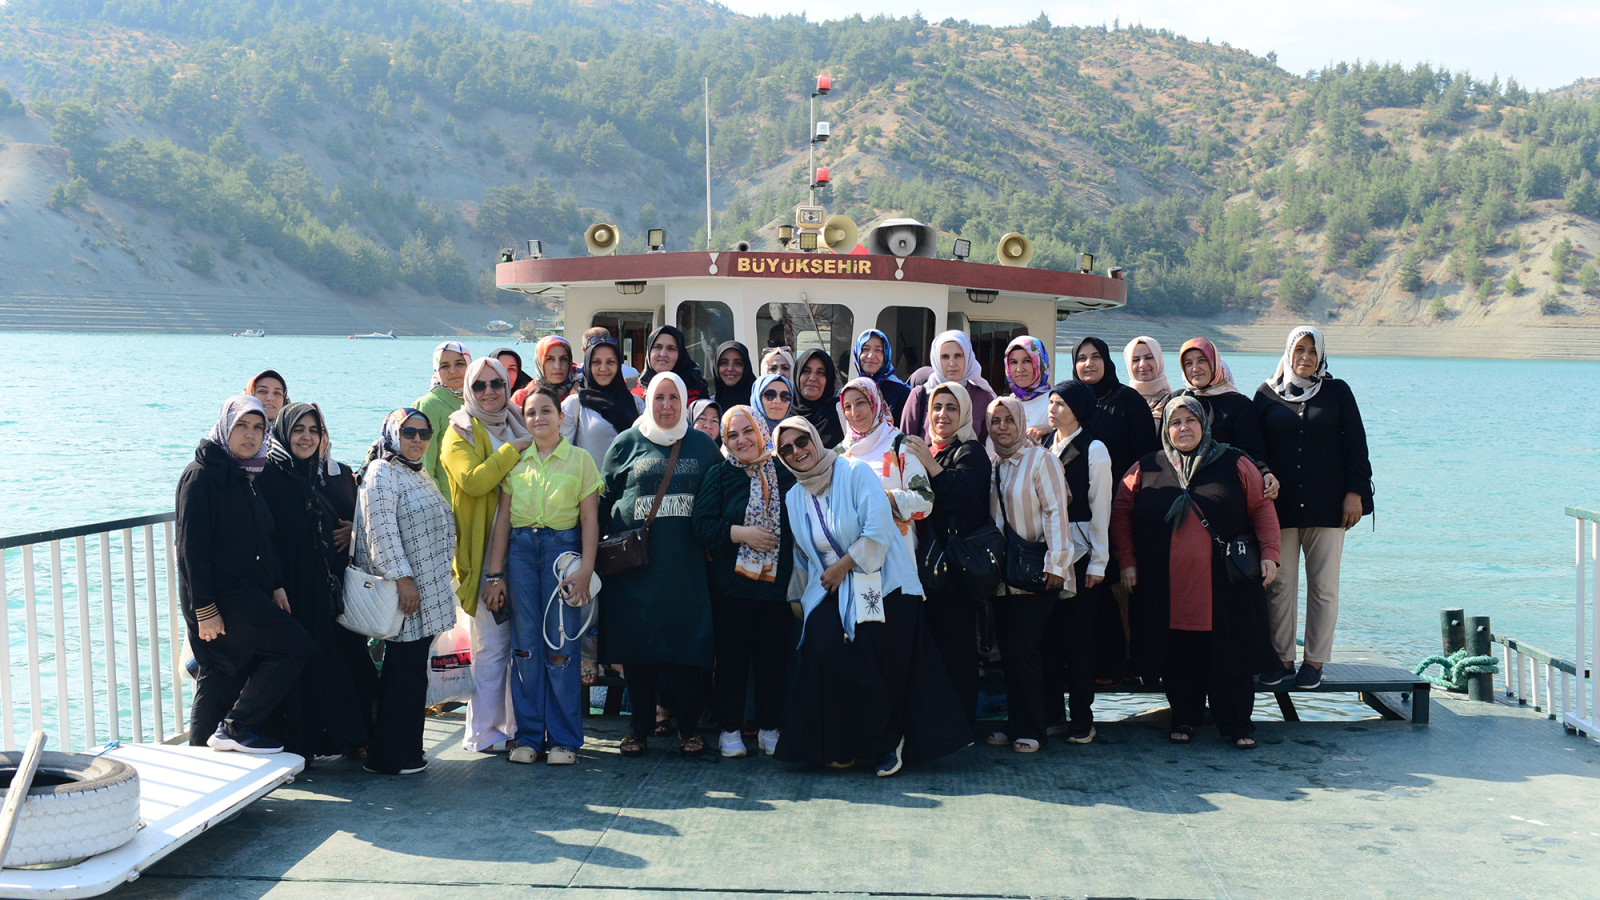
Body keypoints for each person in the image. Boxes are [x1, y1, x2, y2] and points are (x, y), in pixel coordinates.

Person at [773, 416, 969, 775]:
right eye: (786, 449)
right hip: (833, 587)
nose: (796, 451)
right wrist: (800, 596)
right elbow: (804, 554)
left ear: (815, 439)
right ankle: (841, 745)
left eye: (801, 441)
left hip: (884, 580)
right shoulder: (794, 496)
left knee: (873, 658)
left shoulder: (854, 472)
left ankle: (887, 743)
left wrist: (842, 566)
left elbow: (878, 530)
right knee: (823, 650)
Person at [1111, 397, 1281, 749]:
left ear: (1204, 424)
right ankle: (1184, 717)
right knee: (1179, 654)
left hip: (1226, 583)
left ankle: (1236, 724)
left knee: (1230, 653)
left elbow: (1262, 508)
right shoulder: (1146, 466)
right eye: (1175, 422)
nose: (1183, 428)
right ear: (1166, 429)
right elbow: (1121, 513)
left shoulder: (1235, 462)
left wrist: (1270, 554)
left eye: (1191, 420)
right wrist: (1126, 562)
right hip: (1165, 585)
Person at [176, 396, 314, 754]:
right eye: (241, 426)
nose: (250, 435)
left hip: (247, 594)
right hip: (221, 599)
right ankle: (237, 726)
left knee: (222, 675)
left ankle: (201, 755)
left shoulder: (246, 473)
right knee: (295, 646)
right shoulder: (201, 476)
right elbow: (191, 550)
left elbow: (262, 538)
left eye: (258, 428)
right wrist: (204, 609)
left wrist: (276, 584)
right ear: (225, 427)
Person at [599, 372, 722, 756]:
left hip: (687, 569)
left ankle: (689, 730)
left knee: (688, 650)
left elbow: (719, 496)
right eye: (659, 398)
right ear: (648, 401)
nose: (666, 406)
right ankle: (638, 729)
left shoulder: (702, 445)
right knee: (639, 651)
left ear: (684, 402)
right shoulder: (625, 443)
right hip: (636, 571)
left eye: (673, 398)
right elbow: (603, 500)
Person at [1253, 326, 1373, 689]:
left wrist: (1355, 493)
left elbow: (1357, 445)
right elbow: (1255, 448)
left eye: (1312, 351)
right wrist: (1265, 474)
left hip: (1329, 507)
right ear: (1288, 352)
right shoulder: (1266, 394)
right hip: (1281, 509)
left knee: (1324, 587)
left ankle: (1315, 661)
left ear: (1321, 356)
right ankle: (1282, 659)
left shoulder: (1337, 392)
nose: (1305, 357)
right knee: (1280, 585)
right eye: (1299, 350)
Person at [489, 387, 602, 765]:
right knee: (524, 647)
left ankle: (564, 740)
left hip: (562, 551)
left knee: (560, 646)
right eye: (531, 412)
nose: (539, 418)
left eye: (546, 411)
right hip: (521, 553)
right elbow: (503, 520)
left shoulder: (581, 460)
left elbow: (589, 519)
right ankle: (528, 737)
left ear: (561, 417)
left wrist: (587, 569)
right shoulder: (516, 460)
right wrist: (495, 574)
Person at [256, 402, 371, 761]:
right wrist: (275, 585)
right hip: (287, 589)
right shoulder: (269, 474)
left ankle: (321, 743)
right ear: (283, 432)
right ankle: (296, 746)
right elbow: (263, 538)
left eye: (313, 431)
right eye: (298, 430)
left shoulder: (308, 473)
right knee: (300, 666)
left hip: (315, 586)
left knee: (323, 664)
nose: (306, 438)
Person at [356, 409, 459, 774]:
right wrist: (401, 578)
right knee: (403, 673)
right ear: (392, 434)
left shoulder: (414, 470)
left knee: (411, 672)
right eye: (409, 432)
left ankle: (406, 751)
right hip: (406, 593)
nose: (417, 440)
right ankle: (390, 757)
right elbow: (380, 531)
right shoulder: (382, 471)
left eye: (424, 434)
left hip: (425, 591)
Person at [441, 357, 532, 753]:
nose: (489, 392)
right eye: (479, 385)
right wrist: (512, 451)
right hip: (482, 555)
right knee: (492, 645)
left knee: (519, 644)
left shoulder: (518, 421)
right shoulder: (459, 430)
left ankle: (514, 727)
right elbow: (474, 482)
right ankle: (483, 732)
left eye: (497, 384)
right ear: (468, 391)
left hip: (524, 549)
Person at [693, 405, 795, 758]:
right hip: (731, 588)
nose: (742, 441)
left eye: (748, 431)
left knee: (772, 662)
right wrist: (741, 533)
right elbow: (702, 525)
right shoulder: (720, 475)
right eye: (732, 435)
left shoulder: (785, 472)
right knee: (731, 662)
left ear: (762, 430)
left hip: (776, 588)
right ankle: (730, 730)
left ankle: (770, 728)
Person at [985, 396, 1074, 753]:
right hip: (1005, 575)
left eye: (1009, 419)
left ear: (1021, 422)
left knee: (1024, 649)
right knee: (1009, 651)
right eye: (996, 421)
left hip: (1038, 570)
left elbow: (1056, 511)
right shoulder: (996, 463)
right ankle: (1015, 722)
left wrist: (1057, 564)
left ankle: (1033, 728)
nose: (1003, 427)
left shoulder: (1042, 459)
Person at [904, 382, 991, 740]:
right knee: (933, 652)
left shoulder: (970, 451)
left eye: (951, 408)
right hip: (927, 568)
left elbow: (962, 497)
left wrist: (928, 463)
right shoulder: (929, 451)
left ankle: (962, 730)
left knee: (957, 653)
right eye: (937, 407)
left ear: (965, 413)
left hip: (955, 571)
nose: (942, 414)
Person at [1042, 380, 1111, 742]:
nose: (1053, 410)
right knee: (1049, 639)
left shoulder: (1094, 448)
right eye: (1051, 403)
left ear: (1078, 410)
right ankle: (1053, 714)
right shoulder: (1044, 445)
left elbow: (1101, 508)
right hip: (1048, 556)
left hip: (1081, 556)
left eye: (1061, 404)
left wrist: (1099, 562)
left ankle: (1082, 719)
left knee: (1079, 642)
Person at [837, 377, 932, 559]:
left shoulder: (900, 445)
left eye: (861, 403)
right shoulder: (840, 454)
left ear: (875, 402)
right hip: (853, 558)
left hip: (895, 555)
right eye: (847, 407)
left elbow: (925, 501)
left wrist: (885, 498)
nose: (854, 412)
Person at [1175, 338, 1275, 485]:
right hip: (1183, 484)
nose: (1195, 369)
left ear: (1214, 363)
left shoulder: (1238, 404)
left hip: (1225, 484)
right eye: (1188, 363)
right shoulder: (1179, 400)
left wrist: (1265, 473)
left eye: (1202, 360)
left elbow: (1252, 450)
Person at [1069, 336, 1160, 485]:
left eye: (1096, 357)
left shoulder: (1130, 400)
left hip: (1120, 491)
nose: (1088, 363)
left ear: (1106, 360)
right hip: (1074, 492)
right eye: (1082, 358)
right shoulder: (1068, 402)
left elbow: (1146, 457)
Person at [900, 331, 997, 445]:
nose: (952, 363)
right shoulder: (920, 395)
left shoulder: (983, 397)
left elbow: (988, 446)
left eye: (958, 356)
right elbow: (905, 443)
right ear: (936, 360)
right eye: (945, 357)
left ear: (968, 358)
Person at [561, 336, 639, 471]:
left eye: (610, 362)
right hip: (590, 484)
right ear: (587, 364)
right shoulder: (574, 405)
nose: (603, 368)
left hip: (629, 483)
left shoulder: (636, 403)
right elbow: (564, 455)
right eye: (596, 362)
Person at [415, 341, 472, 501]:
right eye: (445, 366)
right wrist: (438, 504)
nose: (452, 371)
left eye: (459, 364)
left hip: (473, 499)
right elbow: (425, 465)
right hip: (445, 501)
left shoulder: (476, 400)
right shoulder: (429, 404)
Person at [631, 325, 709, 404]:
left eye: (671, 349)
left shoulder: (696, 389)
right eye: (657, 347)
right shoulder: (630, 386)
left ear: (680, 355)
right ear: (649, 352)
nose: (663, 354)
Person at [851, 329, 911, 420]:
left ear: (886, 355)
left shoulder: (902, 393)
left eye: (878, 350)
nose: (871, 356)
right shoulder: (852, 390)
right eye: (865, 349)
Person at [1003, 335, 1053, 440]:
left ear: (1040, 363)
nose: (1019, 369)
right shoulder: (1004, 403)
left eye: (1027, 361)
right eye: (1013, 362)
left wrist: (1051, 431)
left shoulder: (1054, 403)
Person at [792, 348, 845, 450]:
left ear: (829, 379)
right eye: (806, 371)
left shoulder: (840, 415)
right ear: (797, 374)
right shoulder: (782, 412)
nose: (812, 378)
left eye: (820, 373)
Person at [1124, 336, 1173, 425]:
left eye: (1149, 358)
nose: (1142, 364)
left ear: (1159, 360)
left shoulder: (1173, 401)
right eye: (1135, 360)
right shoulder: (1121, 402)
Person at [532, 335, 578, 403]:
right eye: (550, 359)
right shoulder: (524, 396)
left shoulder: (582, 391)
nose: (557, 366)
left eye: (564, 359)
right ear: (539, 363)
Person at [712, 341, 756, 411]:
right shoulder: (709, 407)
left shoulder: (762, 404)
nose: (730, 369)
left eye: (738, 363)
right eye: (724, 363)